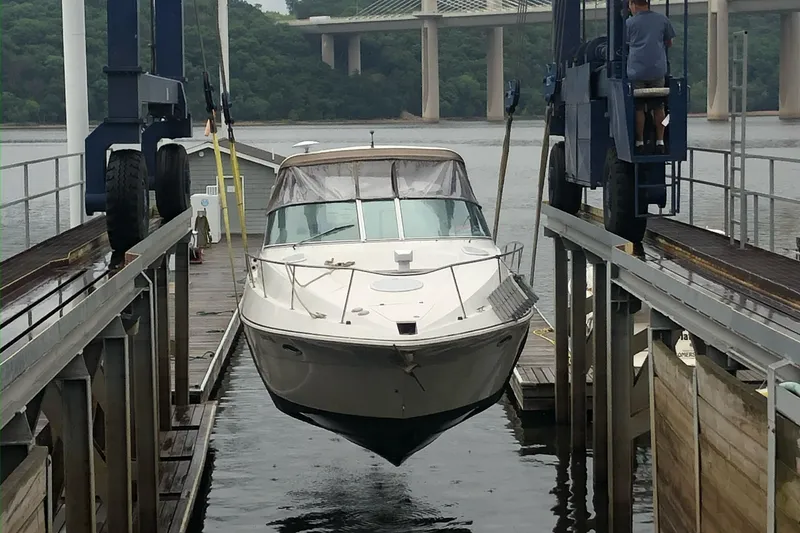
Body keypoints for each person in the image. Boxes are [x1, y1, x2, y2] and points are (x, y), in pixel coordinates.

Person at [625, 0, 676, 154]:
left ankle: (639, 142)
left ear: (633, 5)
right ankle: (660, 142)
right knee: (659, 106)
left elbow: (626, 43)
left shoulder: (629, 23)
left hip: (636, 71)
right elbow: (670, 42)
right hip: (657, 70)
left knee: (639, 108)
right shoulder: (662, 20)